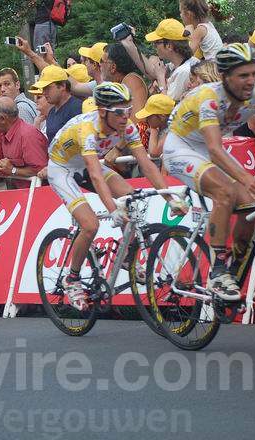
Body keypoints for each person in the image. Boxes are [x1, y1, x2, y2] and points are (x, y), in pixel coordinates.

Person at [162, 43, 255, 301]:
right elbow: (217, 151)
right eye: (243, 76)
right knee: (226, 191)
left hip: (207, 146)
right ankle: (218, 270)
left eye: (253, 73)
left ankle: (234, 268)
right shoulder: (209, 97)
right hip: (180, 146)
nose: (251, 80)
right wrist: (247, 178)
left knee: (253, 205)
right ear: (226, 77)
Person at [47, 82, 186, 310]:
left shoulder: (127, 128)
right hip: (62, 168)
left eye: (128, 110)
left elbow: (147, 165)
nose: (126, 117)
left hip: (85, 163)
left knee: (130, 198)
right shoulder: (87, 130)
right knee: (90, 225)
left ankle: (128, 258)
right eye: (119, 112)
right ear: (103, 112)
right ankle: (71, 279)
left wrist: (170, 198)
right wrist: (112, 208)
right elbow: (95, 174)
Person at [0, 97, 48, 189]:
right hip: (19, 193)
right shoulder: (4, 134)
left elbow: (40, 169)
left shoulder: (28, 135)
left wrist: (12, 170)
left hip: (34, 195)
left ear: (2, 119)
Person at [145, 19, 199, 101]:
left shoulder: (183, 72)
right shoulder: (188, 61)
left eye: (157, 42)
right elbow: (154, 71)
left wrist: (161, 80)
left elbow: (166, 106)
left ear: (169, 46)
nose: (154, 46)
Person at [31, 65, 83, 143]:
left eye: (47, 88)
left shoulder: (77, 109)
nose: (44, 92)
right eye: (43, 89)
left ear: (62, 86)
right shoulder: (51, 112)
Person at [135, 94, 176, 158]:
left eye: (149, 116)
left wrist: (154, 129)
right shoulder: (161, 128)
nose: (146, 119)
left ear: (162, 116)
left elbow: (153, 153)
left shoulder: (174, 129)